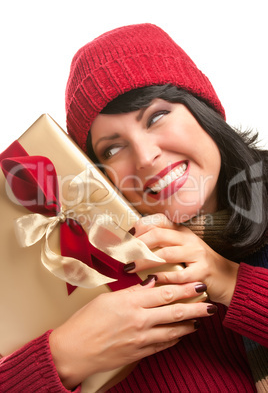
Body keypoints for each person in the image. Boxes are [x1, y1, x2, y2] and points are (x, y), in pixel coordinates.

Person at [1, 23, 267, 392]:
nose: (145, 157)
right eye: (112, 148)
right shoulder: (99, 278)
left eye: (156, 117)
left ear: (204, 112)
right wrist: (63, 357)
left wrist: (230, 282)